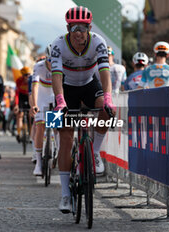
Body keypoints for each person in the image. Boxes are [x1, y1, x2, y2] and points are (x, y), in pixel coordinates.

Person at [51, 6, 115, 213]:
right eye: (74, 28)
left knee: (107, 112)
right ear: (68, 28)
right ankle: (65, 196)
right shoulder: (58, 45)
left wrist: (108, 98)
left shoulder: (99, 42)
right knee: (66, 138)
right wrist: (60, 101)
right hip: (66, 88)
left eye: (83, 27)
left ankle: (94, 153)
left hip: (89, 84)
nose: (79, 32)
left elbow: (104, 72)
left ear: (89, 27)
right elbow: (56, 76)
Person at [30, 45, 56, 175]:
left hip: (55, 95)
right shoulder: (39, 66)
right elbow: (34, 87)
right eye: (49, 60)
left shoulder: (61, 65)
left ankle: (56, 150)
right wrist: (34, 104)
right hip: (42, 97)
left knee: (56, 127)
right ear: (46, 58)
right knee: (40, 126)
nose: (52, 63)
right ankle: (39, 163)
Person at [14, 66, 32, 143]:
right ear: (22, 75)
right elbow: (17, 94)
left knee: (30, 116)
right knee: (20, 114)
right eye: (25, 75)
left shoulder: (31, 79)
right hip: (21, 96)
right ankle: (19, 133)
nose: (27, 77)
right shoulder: (19, 80)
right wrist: (16, 105)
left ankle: (31, 135)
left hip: (29, 96)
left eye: (28, 75)